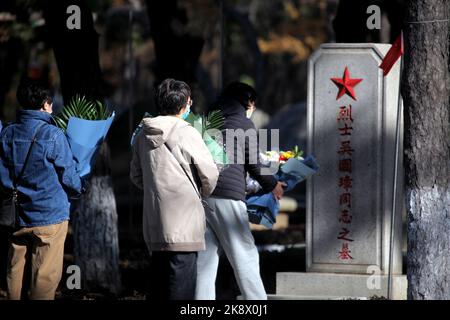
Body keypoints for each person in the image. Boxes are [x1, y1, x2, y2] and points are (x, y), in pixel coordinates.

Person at [195, 81, 285, 300]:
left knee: (205, 261)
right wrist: (274, 185)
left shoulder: (207, 121)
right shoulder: (242, 124)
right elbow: (255, 164)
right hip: (228, 197)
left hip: (201, 197)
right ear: (249, 102)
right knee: (244, 255)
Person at [130, 78, 219, 300]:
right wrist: (200, 192)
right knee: (181, 285)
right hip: (184, 220)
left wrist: (155, 189)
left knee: (158, 283)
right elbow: (209, 172)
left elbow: (136, 175)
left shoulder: (142, 134)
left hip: (154, 221)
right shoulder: (186, 132)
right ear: (185, 104)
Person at [0, 82, 83, 300]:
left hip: (17, 215)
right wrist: (79, 188)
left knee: (14, 270)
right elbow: (68, 175)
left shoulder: (7, 133)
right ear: (45, 104)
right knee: (44, 277)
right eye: (51, 103)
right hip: (49, 216)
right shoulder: (53, 135)